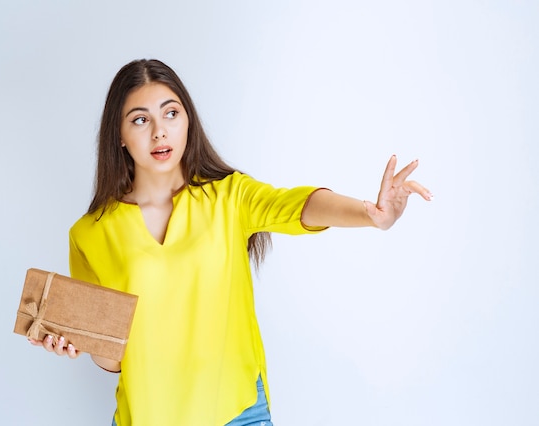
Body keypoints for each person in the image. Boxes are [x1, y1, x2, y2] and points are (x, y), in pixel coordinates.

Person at [28, 59, 432, 426]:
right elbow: (112, 356)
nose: (159, 131)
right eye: (139, 120)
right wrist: (74, 341)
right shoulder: (90, 233)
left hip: (237, 412)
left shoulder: (229, 197)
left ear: (188, 122)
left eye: (171, 113)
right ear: (118, 134)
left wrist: (370, 214)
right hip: (148, 416)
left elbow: (295, 205)